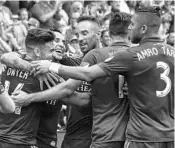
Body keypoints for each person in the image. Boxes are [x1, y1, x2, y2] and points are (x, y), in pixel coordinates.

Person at [30, 6, 174, 148]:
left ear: (104, 34)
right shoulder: (169, 53)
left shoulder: (126, 55)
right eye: (77, 34)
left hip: (118, 135)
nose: (79, 38)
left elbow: (80, 80)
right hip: (165, 133)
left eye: (84, 33)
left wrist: (46, 71)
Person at [10, 15, 101, 148]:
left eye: (62, 41)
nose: (59, 44)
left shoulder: (73, 64)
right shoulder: (26, 62)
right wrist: (31, 67)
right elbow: (8, 57)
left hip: (75, 137)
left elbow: (74, 94)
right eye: (55, 41)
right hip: (27, 138)